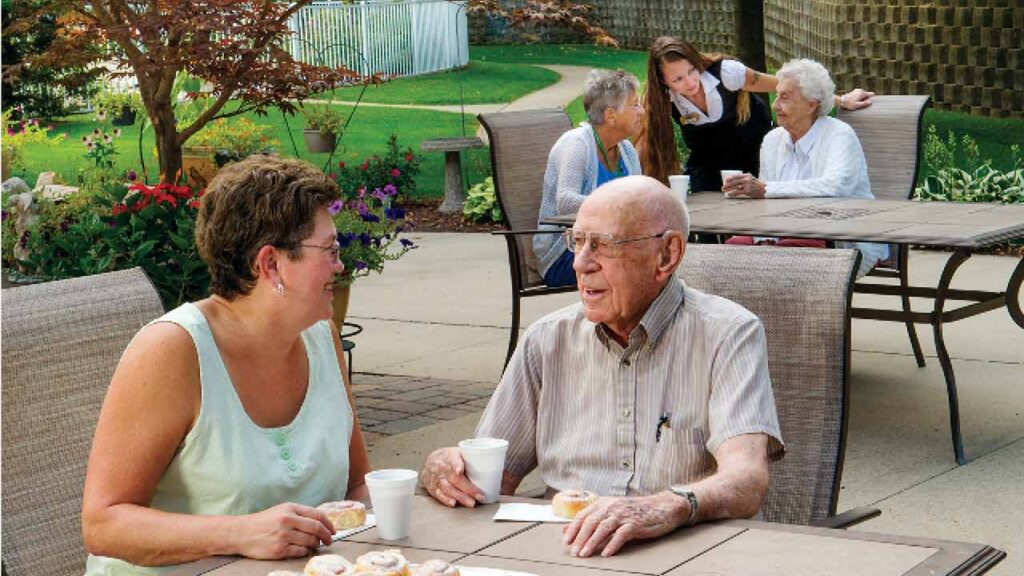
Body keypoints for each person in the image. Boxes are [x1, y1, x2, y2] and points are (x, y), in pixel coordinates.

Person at [422, 176, 784, 557]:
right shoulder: (547, 339)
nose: (580, 263)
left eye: (602, 245)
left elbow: (746, 479)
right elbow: (491, 479)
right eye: (577, 242)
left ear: (666, 255)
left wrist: (667, 506)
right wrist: (447, 471)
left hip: (683, 553)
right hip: (564, 553)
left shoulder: (727, 333)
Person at [81, 156, 371, 574]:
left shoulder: (320, 336)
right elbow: (104, 524)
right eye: (330, 250)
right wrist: (240, 533)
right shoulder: (173, 350)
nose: (340, 266)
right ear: (270, 263)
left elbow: (358, 488)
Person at [638, 36, 874, 193]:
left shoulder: (727, 73)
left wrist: (840, 99)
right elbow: (642, 142)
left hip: (752, 148)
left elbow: (785, 86)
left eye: (692, 71)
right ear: (663, 81)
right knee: (701, 208)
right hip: (709, 159)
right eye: (678, 79)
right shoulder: (660, 99)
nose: (690, 82)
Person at [721, 58, 889, 277]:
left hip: (843, 238)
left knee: (783, 259)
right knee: (728, 253)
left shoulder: (839, 134)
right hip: (780, 234)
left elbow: (835, 187)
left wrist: (766, 190)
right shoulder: (773, 139)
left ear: (812, 104)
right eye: (776, 96)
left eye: (785, 97)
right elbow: (763, 202)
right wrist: (750, 203)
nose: (775, 105)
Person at [534, 68, 644, 288]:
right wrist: (616, 205)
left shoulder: (626, 151)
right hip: (567, 254)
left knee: (662, 256)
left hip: (612, 245)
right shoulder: (576, 144)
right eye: (634, 105)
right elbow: (565, 201)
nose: (641, 111)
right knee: (640, 266)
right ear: (610, 115)